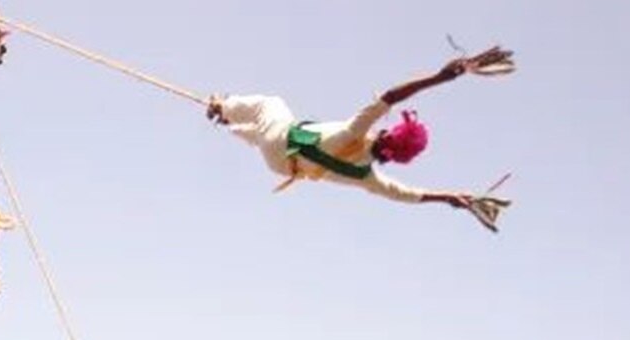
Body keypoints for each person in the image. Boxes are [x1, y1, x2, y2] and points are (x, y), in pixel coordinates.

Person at [206, 47, 514, 231]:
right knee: (261, 133)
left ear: (387, 134)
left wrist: (439, 77)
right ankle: (229, 122)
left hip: (281, 141)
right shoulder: (368, 178)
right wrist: (448, 197)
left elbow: (391, 96)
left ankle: (223, 107)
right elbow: (408, 194)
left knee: (269, 105)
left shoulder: (356, 130)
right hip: (281, 165)